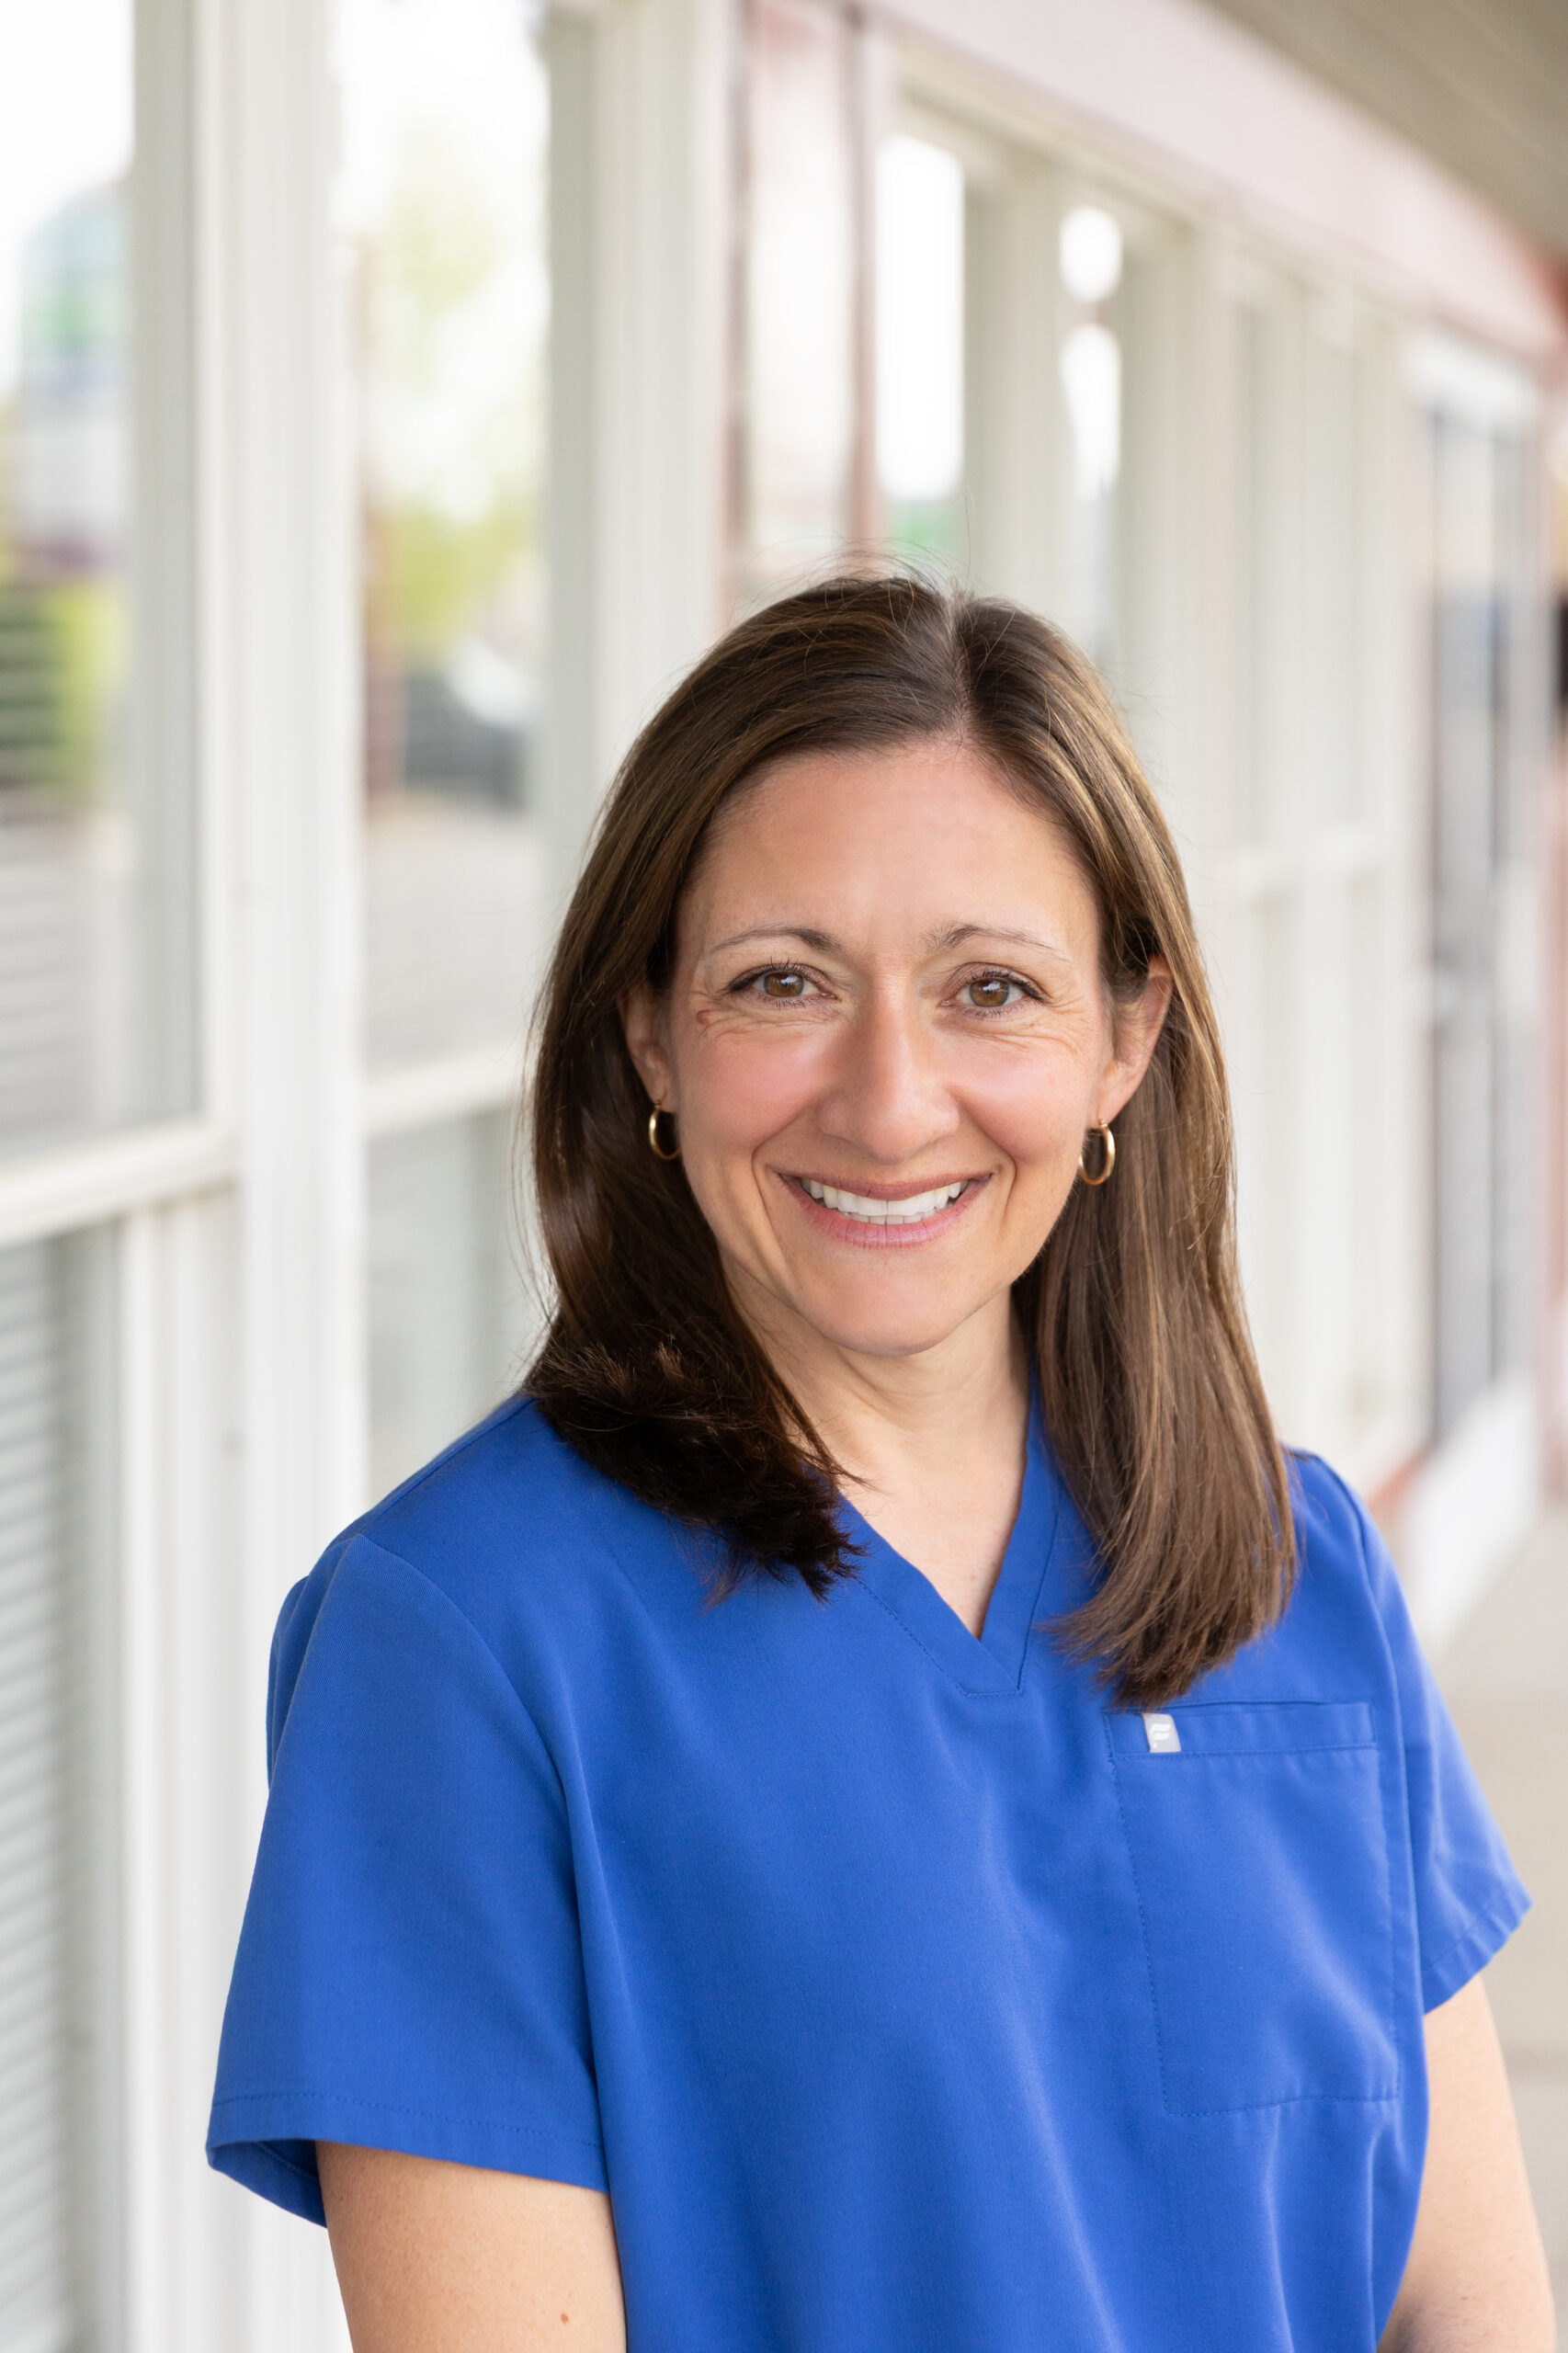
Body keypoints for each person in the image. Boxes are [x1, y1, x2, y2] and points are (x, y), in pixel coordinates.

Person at [209, 576, 1552, 2352]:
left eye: (991, 989)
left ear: (1122, 1043)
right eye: (782, 983)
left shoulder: (1290, 1561)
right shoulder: (462, 1638)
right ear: (650, 1033)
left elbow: (1464, 2301)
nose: (890, 1101)